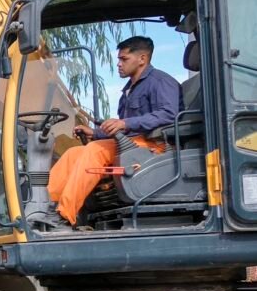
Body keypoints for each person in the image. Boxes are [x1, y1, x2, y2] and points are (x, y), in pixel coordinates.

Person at [33, 36, 180, 229]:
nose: (119, 64)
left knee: (95, 151)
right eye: (119, 59)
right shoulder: (129, 90)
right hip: (131, 144)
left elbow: (169, 114)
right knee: (73, 153)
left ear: (142, 59)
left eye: (124, 59)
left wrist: (124, 123)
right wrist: (95, 133)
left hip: (156, 146)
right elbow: (121, 129)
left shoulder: (160, 82)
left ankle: (65, 214)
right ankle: (45, 206)